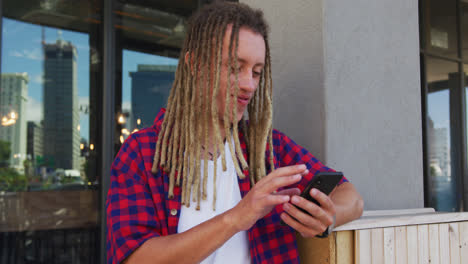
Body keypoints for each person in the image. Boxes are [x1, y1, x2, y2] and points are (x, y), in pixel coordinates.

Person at [106, 2, 363, 264]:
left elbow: (351, 197)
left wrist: (327, 218)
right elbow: (135, 258)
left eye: (256, 72)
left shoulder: (267, 149)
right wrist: (237, 217)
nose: (248, 84)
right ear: (194, 64)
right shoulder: (143, 153)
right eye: (233, 68)